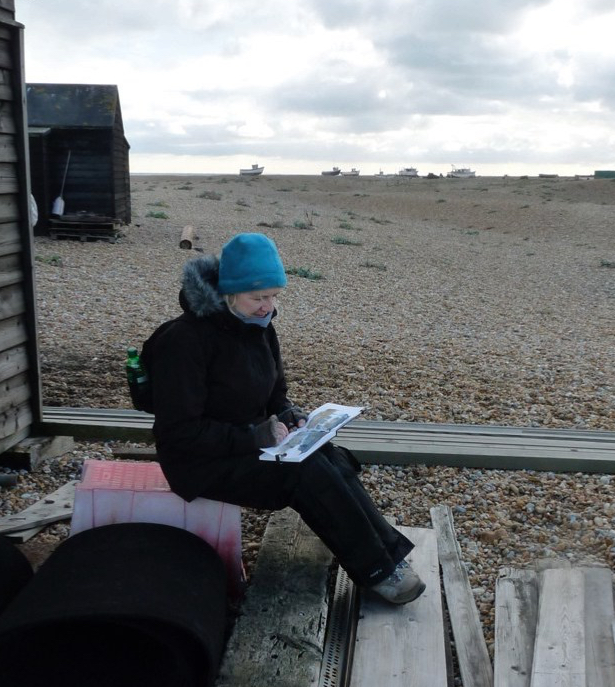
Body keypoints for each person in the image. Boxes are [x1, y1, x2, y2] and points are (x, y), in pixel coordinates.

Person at [150, 232, 425, 605]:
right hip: (200, 462)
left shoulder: (259, 327)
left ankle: (388, 556)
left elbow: (274, 390)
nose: (269, 306)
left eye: (275, 295)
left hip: (253, 442)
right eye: (259, 297)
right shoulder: (184, 342)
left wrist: (287, 414)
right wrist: (255, 436)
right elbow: (180, 431)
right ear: (229, 292)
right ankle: (377, 571)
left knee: (328, 455)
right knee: (303, 473)